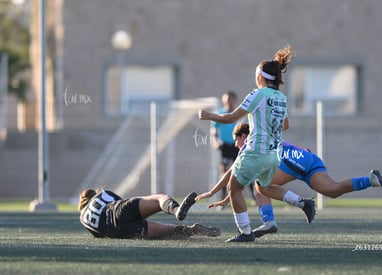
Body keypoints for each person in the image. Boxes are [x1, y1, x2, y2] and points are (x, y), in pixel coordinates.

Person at [198, 45, 310, 242]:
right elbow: (285, 125)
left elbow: (231, 117)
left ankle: (245, 232)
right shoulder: (281, 98)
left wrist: (207, 115)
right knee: (264, 188)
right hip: (274, 154)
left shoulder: (257, 94)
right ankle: (302, 203)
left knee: (234, 189)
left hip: (256, 152)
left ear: (260, 76)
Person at [200, 123, 382, 238]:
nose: (235, 145)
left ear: (243, 136)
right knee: (333, 190)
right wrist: (227, 198)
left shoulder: (250, 144)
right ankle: (370, 180)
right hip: (308, 159)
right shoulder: (267, 137)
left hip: (291, 161)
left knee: (261, 185)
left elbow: (232, 174)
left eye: (236, 140)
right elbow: (236, 185)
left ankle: (274, 219)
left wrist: (212, 192)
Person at [78, 189, 221, 239]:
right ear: (94, 194)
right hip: (121, 209)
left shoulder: (83, 218)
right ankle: (177, 211)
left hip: (120, 231)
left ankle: (190, 230)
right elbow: (120, 202)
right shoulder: (101, 194)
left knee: (169, 231)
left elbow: (99, 234)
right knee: (160, 198)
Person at [211, 91, 253, 202]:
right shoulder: (220, 113)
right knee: (224, 172)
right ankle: (223, 199)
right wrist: (216, 141)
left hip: (238, 147)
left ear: (234, 100)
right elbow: (214, 130)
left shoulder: (239, 113)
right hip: (224, 147)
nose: (228, 101)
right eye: (226, 99)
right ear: (223, 100)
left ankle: (255, 197)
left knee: (244, 170)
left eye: (230, 99)